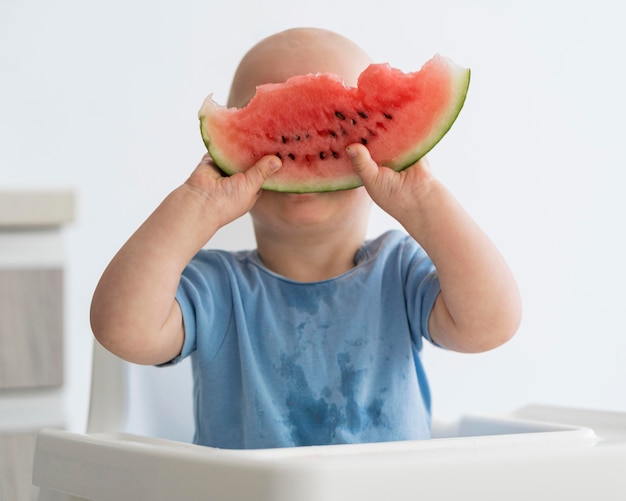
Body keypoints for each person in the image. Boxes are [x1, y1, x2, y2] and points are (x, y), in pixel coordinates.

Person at [90, 27, 522, 449]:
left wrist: (424, 201)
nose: (304, 143)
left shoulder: (398, 271)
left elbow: (492, 323)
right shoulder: (216, 287)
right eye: (274, 132)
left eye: (340, 122)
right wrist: (196, 203)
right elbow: (122, 330)